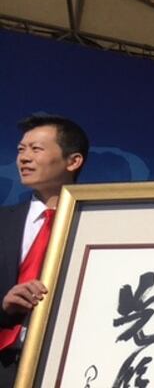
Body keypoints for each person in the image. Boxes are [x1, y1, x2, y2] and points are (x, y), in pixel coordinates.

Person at [0, 114, 88, 386]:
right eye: (21, 150)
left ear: (73, 161)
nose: (24, 158)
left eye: (36, 149)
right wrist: (4, 304)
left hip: (66, 365)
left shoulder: (96, 225)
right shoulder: (3, 222)